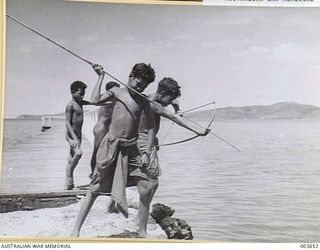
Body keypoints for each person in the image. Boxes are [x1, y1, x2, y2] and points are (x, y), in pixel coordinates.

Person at [71, 62, 156, 237]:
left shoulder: (144, 100)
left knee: (147, 186)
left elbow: (151, 128)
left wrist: (146, 152)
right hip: (111, 146)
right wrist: (100, 76)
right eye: (139, 83)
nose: (141, 87)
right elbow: (94, 100)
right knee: (94, 189)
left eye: (145, 86)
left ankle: (142, 230)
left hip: (132, 148)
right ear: (130, 76)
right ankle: (75, 231)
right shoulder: (117, 92)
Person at [135, 77, 210, 237]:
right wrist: (197, 131)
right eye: (169, 99)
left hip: (148, 141)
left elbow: (173, 106)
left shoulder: (154, 98)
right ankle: (141, 229)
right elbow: (175, 118)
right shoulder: (153, 104)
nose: (169, 103)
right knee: (150, 184)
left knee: (150, 184)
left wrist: (177, 107)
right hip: (143, 143)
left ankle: (141, 218)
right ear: (162, 93)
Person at [90, 81, 120, 178]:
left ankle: (102, 174)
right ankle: (93, 174)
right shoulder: (109, 99)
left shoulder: (113, 99)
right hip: (101, 127)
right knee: (97, 151)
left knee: (105, 152)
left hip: (105, 128)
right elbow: (95, 101)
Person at [65, 81, 90, 190]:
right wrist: (74, 139)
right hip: (71, 135)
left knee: (72, 158)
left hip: (78, 135)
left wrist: (112, 101)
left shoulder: (81, 103)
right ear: (72, 92)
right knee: (78, 154)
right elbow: (67, 122)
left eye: (83, 93)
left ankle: (69, 184)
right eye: (80, 93)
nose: (82, 96)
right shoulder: (70, 105)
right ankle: (69, 174)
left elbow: (95, 102)